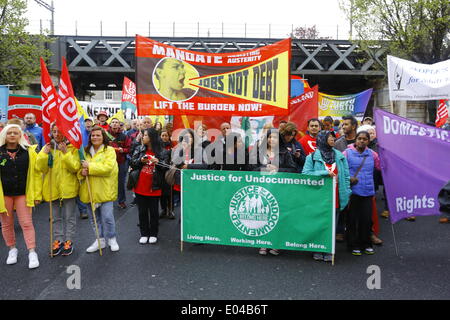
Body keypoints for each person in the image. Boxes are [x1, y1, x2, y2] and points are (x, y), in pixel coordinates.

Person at [302, 130, 351, 262]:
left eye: (334, 138)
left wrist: (347, 191)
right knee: (318, 222)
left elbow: (346, 176)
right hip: (318, 197)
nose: (333, 140)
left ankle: (329, 249)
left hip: (335, 196)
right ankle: (318, 248)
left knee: (332, 224)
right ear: (322, 139)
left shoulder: (340, 156)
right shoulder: (311, 157)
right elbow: (306, 174)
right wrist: (324, 173)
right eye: (330, 138)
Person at [0, 124, 41, 269]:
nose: (12, 135)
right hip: (4, 194)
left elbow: (36, 173)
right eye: (9, 132)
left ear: (20, 135)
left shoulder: (28, 152)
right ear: (4, 135)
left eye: (15, 133)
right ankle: (12, 249)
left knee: (26, 223)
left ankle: (32, 251)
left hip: (23, 193)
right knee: (6, 224)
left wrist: (37, 194)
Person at [36, 124, 80, 256]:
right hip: (52, 187)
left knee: (69, 217)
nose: (56, 134)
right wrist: (44, 155)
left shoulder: (73, 148)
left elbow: (74, 167)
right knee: (55, 217)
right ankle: (58, 240)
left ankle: (69, 241)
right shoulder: (47, 147)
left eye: (59, 131)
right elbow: (40, 168)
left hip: (68, 188)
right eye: (54, 131)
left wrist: (66, 153)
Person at [254, 129, 297, 256]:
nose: (271, 140)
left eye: (275, 138)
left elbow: (293, 169)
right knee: (263, 215)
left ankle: (277, 243)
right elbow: (250, 169)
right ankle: (263, 243)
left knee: (278, 216)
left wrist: (278, 169)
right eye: (269, 137)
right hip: (262, 189)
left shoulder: (285, 152)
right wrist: (263, 169)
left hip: (280, 190)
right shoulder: (258, 152)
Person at [79, 126, 120, 253]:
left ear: (103, 137)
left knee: (107, 216)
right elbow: (78, 170)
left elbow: (107, 168)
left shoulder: (110, 150)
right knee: (94, 219)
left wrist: (89, 166)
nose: (95, 137)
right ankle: (100, 240)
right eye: (93, 135)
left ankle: (112, 238)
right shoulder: (85, 152)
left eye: (98, 135)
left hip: (105, 190)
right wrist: (82, 172)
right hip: (89, 190)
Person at [343, 131, 381, 256]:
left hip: (367, 191)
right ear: (356, 139)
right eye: (359, 138)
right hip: (352, 192)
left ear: (368, 141)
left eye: (365, 139)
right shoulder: (347, 153)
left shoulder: (373, 154)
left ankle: (366, 244)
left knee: (366, 220)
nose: (362, 141)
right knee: (352, 220)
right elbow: (341, 170)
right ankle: (353, 245)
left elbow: (380, 167)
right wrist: (349, 178)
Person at [130, 128, 169, 244]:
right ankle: (144, 233)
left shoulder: (162, 151)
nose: (143, 137)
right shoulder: (139, 149)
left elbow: (166, 167)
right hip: (140, 186)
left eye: (145, 135)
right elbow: (132, 163)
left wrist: (158, 162)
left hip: (154, 187)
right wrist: (141, 161)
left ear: (151, 137)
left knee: (153, 212)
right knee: (142, 212)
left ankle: (153, 233)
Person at [108, 118, 132, 209]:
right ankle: (107, 201)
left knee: (121, 182)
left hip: (120, 162)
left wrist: (123, 150)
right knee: (107, 181)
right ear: (110, 124)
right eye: (113, 122)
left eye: (116, 122)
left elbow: (129, 148)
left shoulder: (124, 136)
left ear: (119, 125)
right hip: (108, 162)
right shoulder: (105, 135)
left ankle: (121, 201)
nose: (114, 124)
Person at [160, 129, 175, 219]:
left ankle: (171, 210)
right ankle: (163, 210)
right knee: (162, 193)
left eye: (166, 136)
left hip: (169, 172)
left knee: (169, 193)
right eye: (163, 135)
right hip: (160, 172)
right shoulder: (157, 147)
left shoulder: (172, 147)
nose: (164, 137)